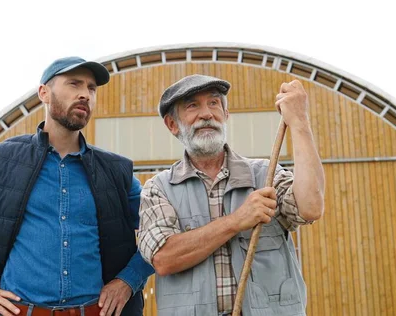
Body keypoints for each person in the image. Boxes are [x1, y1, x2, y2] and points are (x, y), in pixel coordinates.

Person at [0, 56, 154, 316]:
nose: (85, 95)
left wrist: (128, 280)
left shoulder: (115, 171)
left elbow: (160, 232)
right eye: (74, 84)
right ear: (44, 93)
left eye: (91, 88)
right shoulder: (1, 160)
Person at [137, 74, 325, 316]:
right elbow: (164, 259)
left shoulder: (266, 176)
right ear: (172, 125)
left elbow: (311, 206)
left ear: (226, 115)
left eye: (214, 103)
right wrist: (238, 220)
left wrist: (299, 121)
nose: (206, 113)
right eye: (193, 105)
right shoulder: (159, 189)